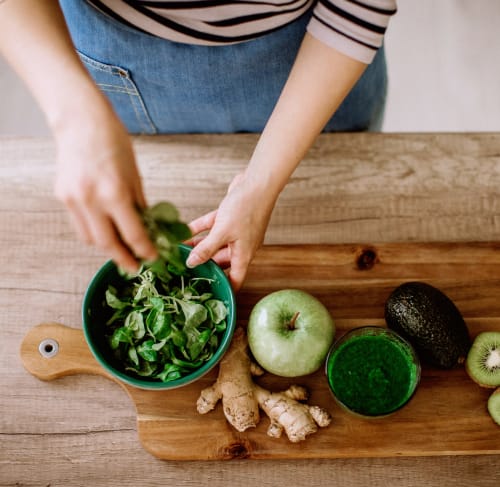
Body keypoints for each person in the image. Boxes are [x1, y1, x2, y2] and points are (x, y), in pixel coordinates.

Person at [0, 0, 397, 291]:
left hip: (313, 55)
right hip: (121, 55)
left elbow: (359, 7)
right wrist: (75, 117)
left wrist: (259, 185)